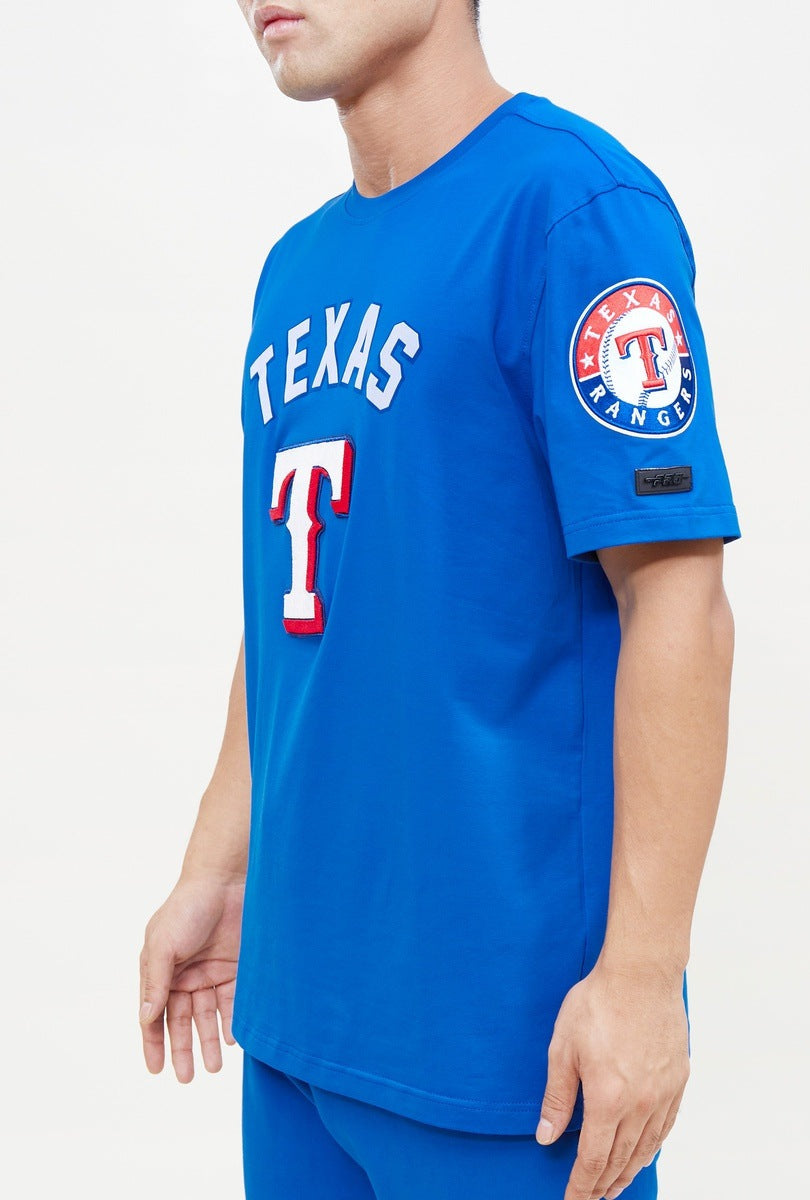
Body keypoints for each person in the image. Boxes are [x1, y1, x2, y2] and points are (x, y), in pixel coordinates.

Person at [138, 2, 740, 1197]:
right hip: (300, 1016)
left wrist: (641, 979)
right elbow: (301, 604)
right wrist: (217, 864)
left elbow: (678, 600)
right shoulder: (296, 270)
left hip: (505, 1049)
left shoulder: (572, 212)